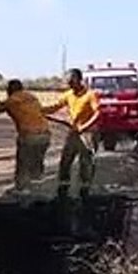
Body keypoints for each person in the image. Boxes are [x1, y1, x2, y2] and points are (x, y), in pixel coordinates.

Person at [0, 79, 51, 193]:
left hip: (29, 136)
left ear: (10, 90)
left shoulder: (12, 100)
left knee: (23, 164)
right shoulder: (32, 97)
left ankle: (22, 190)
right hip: (45, 135)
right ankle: (38, 188)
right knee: (37, 163)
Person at [45, 68, 101, 200]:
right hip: (73, 133)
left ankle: (85, 190)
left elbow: (98, 113)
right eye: (68, 82)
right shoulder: (68, 95)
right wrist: (39, 110)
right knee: (65, 160)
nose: (69, 84)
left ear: (79, 79)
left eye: (72, 81)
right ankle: (63, 188)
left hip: (88, 133)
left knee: (85, 162)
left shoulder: (90, 95)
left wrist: (84, 127)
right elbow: (54, 107)